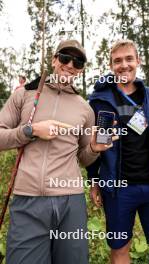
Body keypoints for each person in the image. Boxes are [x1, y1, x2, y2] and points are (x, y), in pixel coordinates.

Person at [0, 39, 118, 264]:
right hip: (28, 200)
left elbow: (83, 158)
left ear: (82, 69)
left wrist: (94, 148)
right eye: (65, 57)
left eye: (78, 61)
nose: (70, 64)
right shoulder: (25, 94)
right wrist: (30, 130)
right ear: (54, 60)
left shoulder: (84, 107)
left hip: (71, 203)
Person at [87, 39, 149, 264]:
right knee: (119, 250)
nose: (123, 65)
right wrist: (94, 179)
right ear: (111, 66)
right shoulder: (98, 101)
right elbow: (93, 144)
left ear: (138, 61)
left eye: (129, 59)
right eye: (117, 61)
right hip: (118, 190)